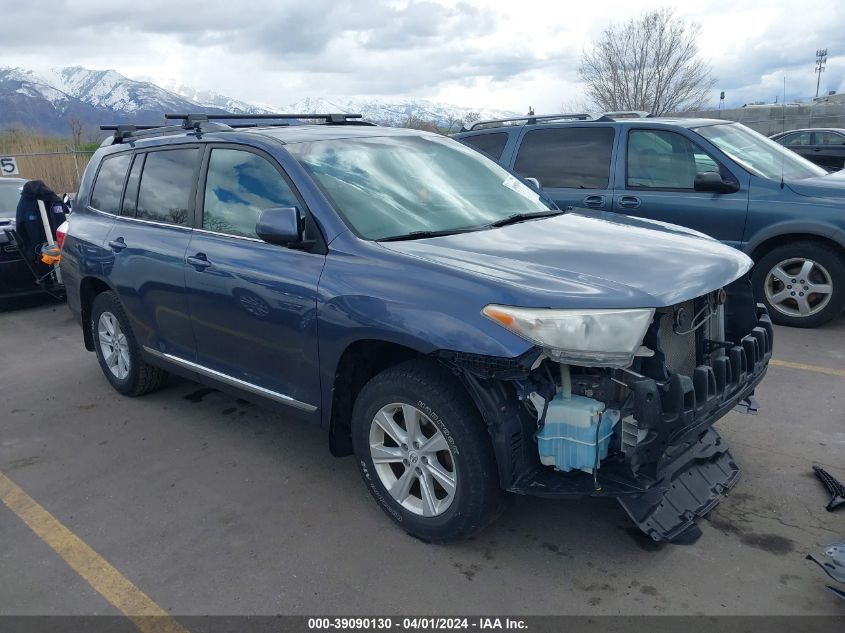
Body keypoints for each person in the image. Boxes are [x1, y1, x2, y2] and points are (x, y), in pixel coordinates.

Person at [14, 180, 68, 267]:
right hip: (54, 248)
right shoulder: (55, 201)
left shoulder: (25, 205)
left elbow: (20, 229)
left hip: (42, 249)